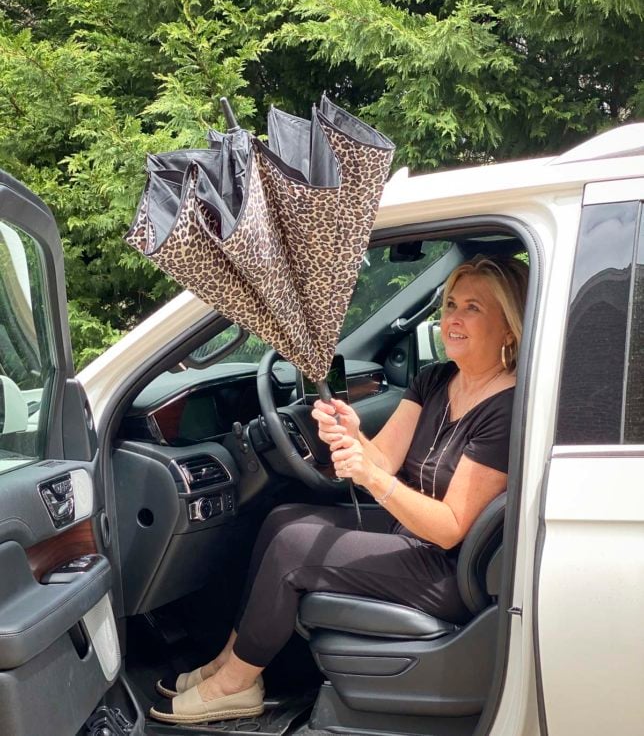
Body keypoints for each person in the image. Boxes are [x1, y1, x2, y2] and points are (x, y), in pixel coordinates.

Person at [150, 255, 529, 725]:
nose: (453, 318)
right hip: (408, 531)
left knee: (294, 547)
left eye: (473, 308)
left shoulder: (506, 407)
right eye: (451, 304)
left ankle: (237, 685)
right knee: (281, 519)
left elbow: (450, 527)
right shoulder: (435, 379)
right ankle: (231, 660)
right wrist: (353, 435)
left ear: (509, 327)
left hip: (446, 567)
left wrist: (371, 477)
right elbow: (384, 459)